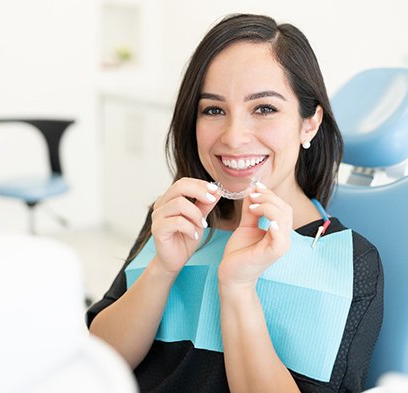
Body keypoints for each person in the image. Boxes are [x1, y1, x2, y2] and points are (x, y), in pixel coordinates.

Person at [87, 13, 383, 393]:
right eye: (213, 110)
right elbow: (95, 363)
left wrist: (238, 287)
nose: (234, 136)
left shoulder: (350, 261)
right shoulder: (176, 218)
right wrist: (162, 268)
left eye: (264, 108)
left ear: (309, 124)